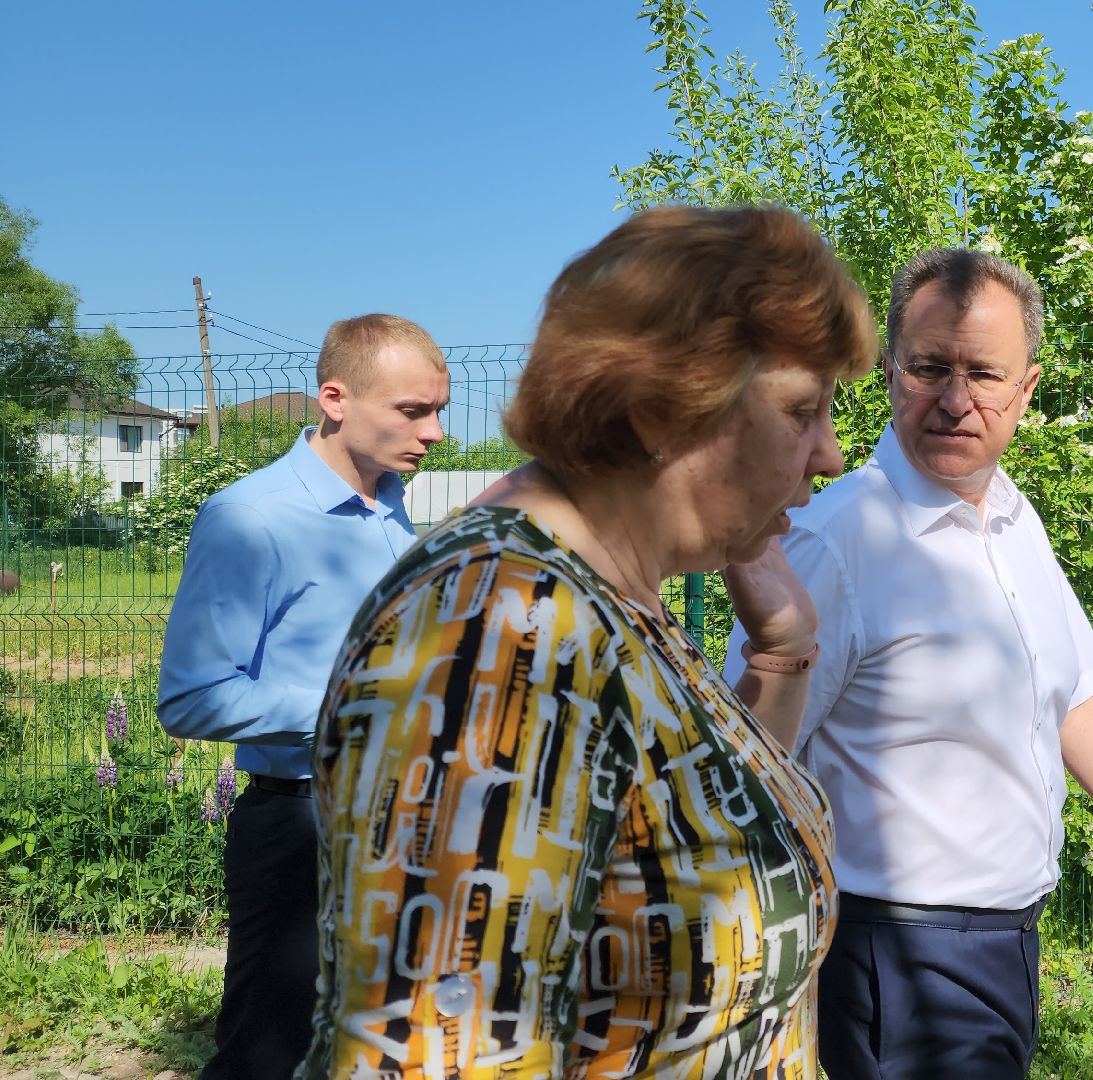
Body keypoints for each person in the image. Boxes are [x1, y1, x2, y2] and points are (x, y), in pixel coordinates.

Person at [297, 205, 877, 1078]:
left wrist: (784, 646)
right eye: (802, 411)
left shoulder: (605, 598)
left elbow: (696, 847)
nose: (830, 455)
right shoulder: (497, 630)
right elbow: (439, 1056)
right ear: (660, 408)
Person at [724, 248, 1093, 1079]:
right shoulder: (836, 541)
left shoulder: (1011, 517)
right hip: (893, 957)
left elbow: (1071, 701)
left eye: (983, 373)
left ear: (1026, 389)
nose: (956, 400)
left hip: (1006, 942)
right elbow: (747, 767)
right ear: (890, 373)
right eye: (930, 367)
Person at [158, 314, 451, 1079]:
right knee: (270, 1054)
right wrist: (363, 697)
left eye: (438, 410)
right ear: (334, 398)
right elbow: (192, 698)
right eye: (413, 411)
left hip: (405, 821)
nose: (437, 432)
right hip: (302, 830)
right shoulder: (250, 517)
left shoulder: (388, 501)